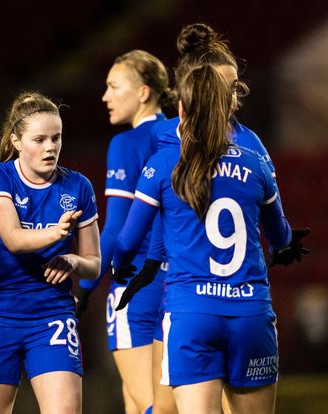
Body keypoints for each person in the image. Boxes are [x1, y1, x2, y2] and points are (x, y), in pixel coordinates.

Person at [113, 64, 307, 414]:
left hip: (191, 316)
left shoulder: (164, 163)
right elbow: (281, 237)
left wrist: (121, 267)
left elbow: (126, 242)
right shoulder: (256, 161)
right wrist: (283, 246)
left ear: (182, 111)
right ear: (225, 107)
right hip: (250, 315)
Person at [0, 92, 101, 414]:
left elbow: (93, 265)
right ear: (16, 141)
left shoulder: (78, 186)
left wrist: (73, 260)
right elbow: (13, 238)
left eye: (56, 138)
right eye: (39, 139)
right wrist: (57, 231)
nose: (50, 147)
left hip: (51, 315)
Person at [75, 50, 175, 414]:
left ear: (144, 92)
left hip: (136, 288)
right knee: (137, 403)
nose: (105, 96)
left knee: (154, 408)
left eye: (114, 86)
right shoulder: (179, 136)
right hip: (177, 283)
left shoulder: (126, 144)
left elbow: (116, 228)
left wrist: (84, 288)